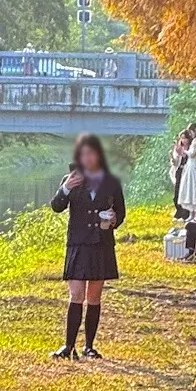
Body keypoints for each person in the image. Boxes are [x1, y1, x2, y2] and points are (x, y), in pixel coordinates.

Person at [49, 134, 127, 360]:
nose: (87, 158)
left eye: (91, 154)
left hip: (101, 243)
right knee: (76, 294)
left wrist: (113, 219)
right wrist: (64, 189)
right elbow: (56, 207)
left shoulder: (111, 181)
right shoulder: (71, 180)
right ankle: (68, 346)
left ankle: (89, 346)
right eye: (83, 154)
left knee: (94, 295)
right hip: (78, 242)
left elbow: (121, 213)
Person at [176, 125, 196, 216]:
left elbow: (192, 153)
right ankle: (191, 214)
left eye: (191, 132)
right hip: (192, 164)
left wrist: (184, 150)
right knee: (190, 188)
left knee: (194, 188)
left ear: (195, 130)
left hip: (194, 165)